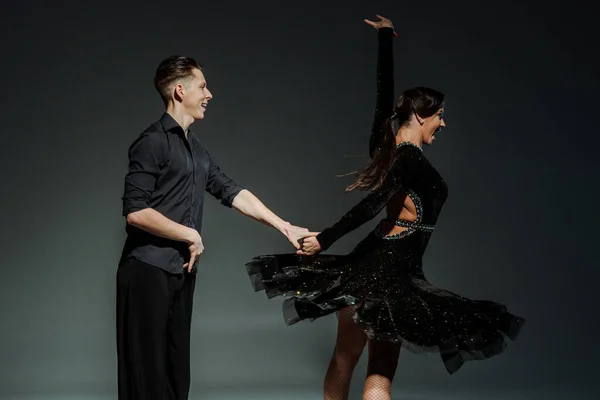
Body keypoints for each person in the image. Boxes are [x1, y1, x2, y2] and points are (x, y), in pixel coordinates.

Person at [245, 15, 525, 400]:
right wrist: (325, 239)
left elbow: (384, 100)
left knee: (344, 359)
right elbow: (373, 204)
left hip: (368, 267)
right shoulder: (408, 160)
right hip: (392, 276)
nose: (442, 124)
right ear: (423, 116)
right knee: (379, 374)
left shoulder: (387, 150)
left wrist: (384, 41)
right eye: (440, 116)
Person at [117, 55, 315, 400]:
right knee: (145, 375)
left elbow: (232, 191)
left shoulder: (196, 149)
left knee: (176, 375)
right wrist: (189, 234)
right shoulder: (151, 141)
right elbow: (136, 211)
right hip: (146, 270)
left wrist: (285, 227)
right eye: (203, 86)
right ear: (180, 91)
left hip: (180, 272)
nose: (210, 94)